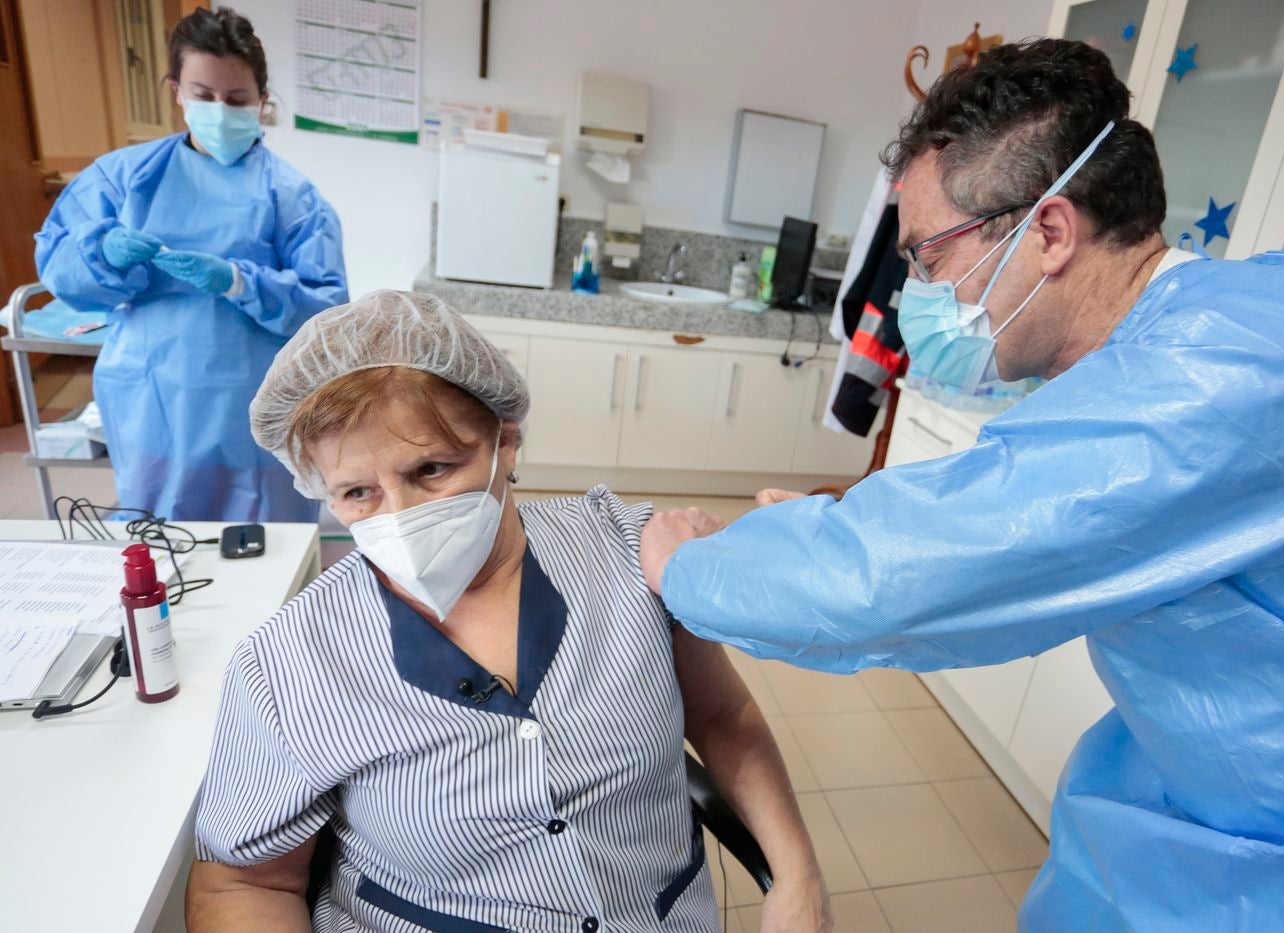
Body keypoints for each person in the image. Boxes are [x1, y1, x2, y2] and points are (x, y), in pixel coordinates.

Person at [640, 39, 1284, 931]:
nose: (918, 290)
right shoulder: (1207, 331)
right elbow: (1008, 492)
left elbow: (900, 579)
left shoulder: (1228, 372)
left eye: (926, 259)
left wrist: (690, 562)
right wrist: (833, 513)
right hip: (1200, 791)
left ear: (1047, 233)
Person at [186, 291, 831, 933]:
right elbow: (243, 882)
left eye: (433, 469)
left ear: (507, 441)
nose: (401, 516)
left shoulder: (629, 553)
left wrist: (798, 873)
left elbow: (723, 715)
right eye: (358, 492)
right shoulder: (288, 663)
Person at [34, 8, 346, 522]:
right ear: (176, 90)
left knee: (267, 539)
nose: (219, 110)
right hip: (154, 392)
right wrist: (101, 255)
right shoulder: (122, 179)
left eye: (237, 99)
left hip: (257, 398)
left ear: (262, 102)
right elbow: (63, 271)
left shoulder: (294, 198)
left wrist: (239, 280)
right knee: (161, 529)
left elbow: (326, 310)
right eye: (203, 96)